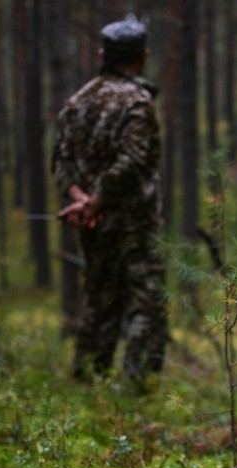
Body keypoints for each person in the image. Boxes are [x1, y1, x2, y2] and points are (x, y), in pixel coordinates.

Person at [51, 14, 168, 385]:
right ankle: (138, 386)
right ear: (143, 56)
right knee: (146, 301)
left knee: (99, 298)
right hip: (133, 224)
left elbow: (60, 162)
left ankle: (89, 377)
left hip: (93, 222)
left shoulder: (77, 102)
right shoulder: (137, 103)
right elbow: (131, 162)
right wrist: (96, 202)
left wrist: (81, 199)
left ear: (103, 54)